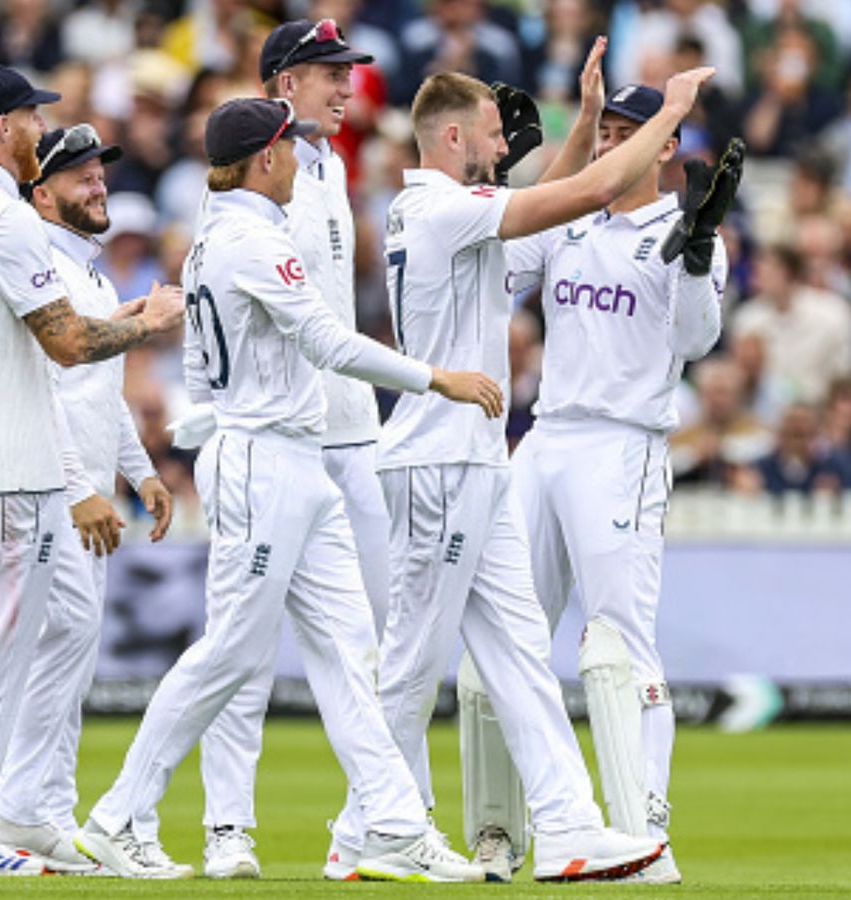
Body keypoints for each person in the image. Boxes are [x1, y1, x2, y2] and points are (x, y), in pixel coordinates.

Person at [72, 97, 499, 883]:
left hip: (290, 459)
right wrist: (436, 378)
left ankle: (392, 824)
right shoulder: (254, 241)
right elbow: (328, 341)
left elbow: (214, 365)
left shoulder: (218, 235)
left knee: (348, 649)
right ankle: (118, 816)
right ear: (265, 157)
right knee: (233, 650)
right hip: (266, 462)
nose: (301, 161)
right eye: (289, 148)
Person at [327, 54, 714, 883]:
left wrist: (587, 122)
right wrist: (669, 112)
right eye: (494, 135)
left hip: (479, 461)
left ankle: (568, 825)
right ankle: (364, 828)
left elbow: (551, 205)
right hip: (438, 459)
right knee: (413, 664)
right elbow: (581, 194)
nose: (507, 148)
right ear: (452, 137)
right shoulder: (440, 208)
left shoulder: (449, 209)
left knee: (518, 652)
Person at [0, 65, 185, 877]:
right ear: (4, 128)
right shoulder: (7, 220)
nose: (38, 130)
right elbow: (67, 347)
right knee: (0, 653)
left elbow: (21, 338)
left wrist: (117, 319)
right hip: (18, 466)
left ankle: (17, 815)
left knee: (34, 640)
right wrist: (150, 323)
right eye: (32, 118)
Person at [460, 81, 738, 885]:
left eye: (628, 132)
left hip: (623, 444)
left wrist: (696, 251)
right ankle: (497, 833)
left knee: (616, 645)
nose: (614, 143)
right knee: (496, 644)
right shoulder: (570, 217)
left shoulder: (688, 230)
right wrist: (503, 179)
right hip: (546, 437)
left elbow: (695, 340)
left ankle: (643, 831)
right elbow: (497, 267)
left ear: (666, 146)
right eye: (607, 130)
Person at [192, 20, 385, 880]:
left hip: (350, 430)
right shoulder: (247, 179)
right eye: (327, 73)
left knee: (364, 644)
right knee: (243, 645)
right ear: (282, 84)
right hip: (276, 438)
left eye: (348, 72)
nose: (345, 87)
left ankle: (371, 825)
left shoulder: (330, 166)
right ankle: (227, 827)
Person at [0, 124, 179, 876]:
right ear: (42, 194)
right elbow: (41, 394)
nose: (97, 186)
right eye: (80, 177)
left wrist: (142, 471)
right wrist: (79, 489)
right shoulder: (43, 270)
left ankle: (48, 813)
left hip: (89, 492)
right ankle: (16, 806)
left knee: (73, 653)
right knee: (62, 639)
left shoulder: (92, 278)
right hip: (53, 491)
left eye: (100, 174)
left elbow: (100, 396)